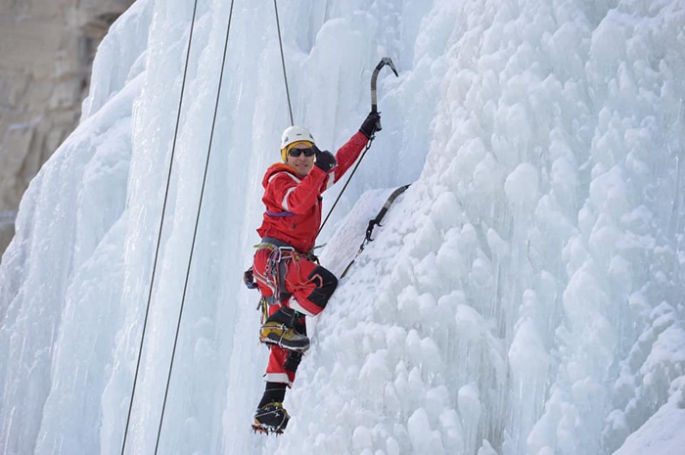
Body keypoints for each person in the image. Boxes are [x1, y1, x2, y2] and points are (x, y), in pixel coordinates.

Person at [249, 111, 381, 433]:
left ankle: (269, 406)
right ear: (285, 156)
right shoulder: (280, 180)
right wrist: (320, 169)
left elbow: (340, 163)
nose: (304, 157)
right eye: (296, 152)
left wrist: (363, 133)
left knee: (292, 344)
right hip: (277, 262)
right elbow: (295, 203)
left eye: (309, 151)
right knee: (322, 285)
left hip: (277, 267)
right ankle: (277, 322)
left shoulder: (312, 179)